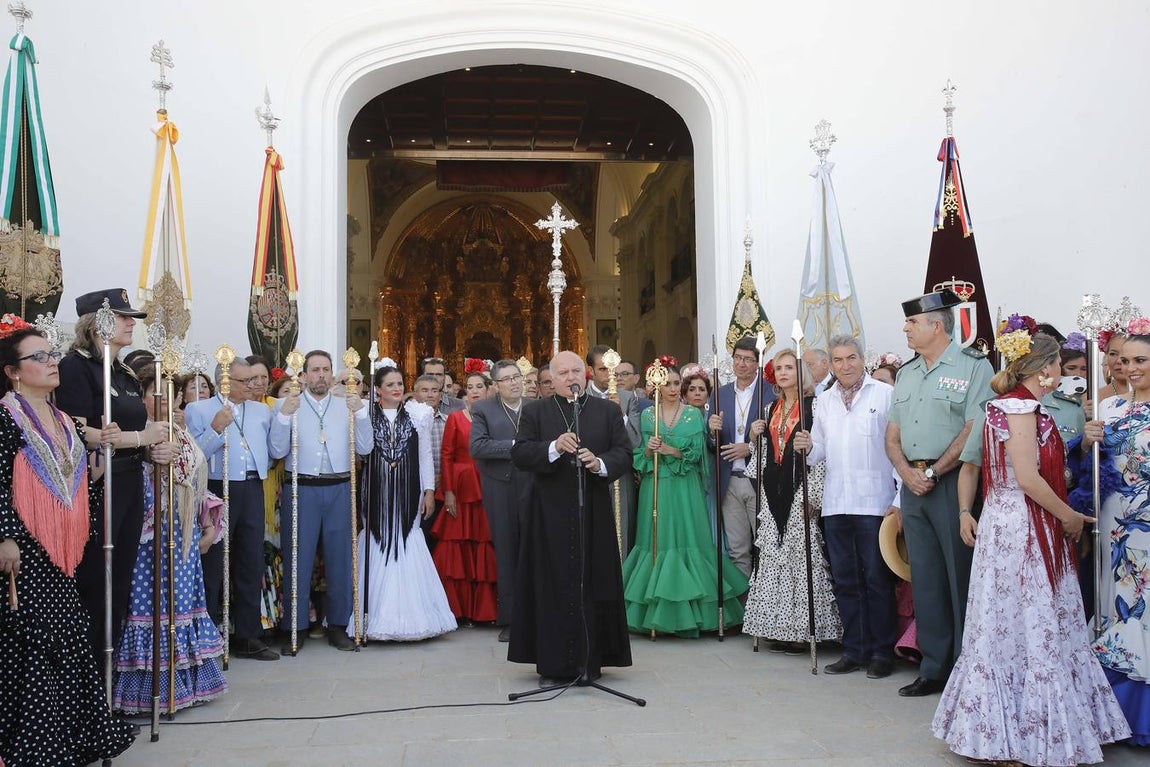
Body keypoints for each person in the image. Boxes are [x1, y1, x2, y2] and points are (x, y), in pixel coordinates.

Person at [933, 325, 1130, 765]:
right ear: (1044, 369)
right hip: (1020, 526)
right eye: (1059, 362)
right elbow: (1026, 477)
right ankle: (1012, 735)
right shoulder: (1019, 408)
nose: (1062, 370)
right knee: (1022, 620)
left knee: (1022, 621)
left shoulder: (1017, 406)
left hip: (1016, 521)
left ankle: (1022, 727)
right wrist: (1068, 515)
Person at [0, 315, 136, 765]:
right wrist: (6, 536)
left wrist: (103, 455)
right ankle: (34, 742)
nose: (51, 361)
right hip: (25, 548)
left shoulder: (64, 421)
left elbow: (81, 480)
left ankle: (71, 735)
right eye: (38, 357)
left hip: (64, 550)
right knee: (33, 643)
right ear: (13, 371)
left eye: (51, 353)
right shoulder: (6, 418)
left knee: (69, 636)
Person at [886, 289, 994, 697]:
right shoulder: (908, 373)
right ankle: (934, 667)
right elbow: (892, 433)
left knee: (960, 577)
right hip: (912, 485)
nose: (906, 328)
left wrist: (933, 470)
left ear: (936, 324)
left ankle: (970, 669)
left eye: (912, 323)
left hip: (953, 483)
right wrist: (905, 473)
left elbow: (973, 428)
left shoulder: (972, 368)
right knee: (926, 579)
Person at [56, 288, 168, 668]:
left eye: (130, 317)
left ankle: (108, 680)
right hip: (99, 482)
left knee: (120, 579)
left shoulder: (122, 371)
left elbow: (139, 427)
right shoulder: (76, 367)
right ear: (96, 323)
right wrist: (138, 438)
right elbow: (74, 427)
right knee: (96, 580)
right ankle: (86, 682)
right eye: (121, 317)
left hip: (131, 480)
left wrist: (153, 446)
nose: (129, 323)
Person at [509, 350, 633, 685]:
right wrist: (552, 447)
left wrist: (600, 463)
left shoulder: (606, 411)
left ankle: (590, 664)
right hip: (547, 513)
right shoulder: (536, 412)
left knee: (592, 582)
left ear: (586, 374)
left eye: (576, 371)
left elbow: (624, 453)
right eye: (562, 373)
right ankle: (553, 666)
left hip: (592, 508)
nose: (570, 378)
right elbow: (520, 453)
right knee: (551, 586)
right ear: (551, 378)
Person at [112, 367, 227, 713]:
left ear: (178, 398)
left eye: (169, 392)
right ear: (141, 398)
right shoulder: (135, 436)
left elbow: (196, 482)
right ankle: (147, 690)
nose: (162, 399)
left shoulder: (184, 434)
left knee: (183, 606)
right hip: (149, 541)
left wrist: (208, 521)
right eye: (152, 392)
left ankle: (187, 682)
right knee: (150, 607)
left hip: (184, 537)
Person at [794, 335, 898, 678]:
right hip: (836, 502)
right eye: (838, 360)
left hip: (875, 502)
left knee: (877, 580)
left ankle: (882, 652)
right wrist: (807, 445)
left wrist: (898, 500)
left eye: (851, 358)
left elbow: (898, 449)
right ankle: (854, 649)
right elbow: (820, 450)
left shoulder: (884, 395)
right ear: (831, 365)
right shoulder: (823, 401)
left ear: (862, 359)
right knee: (845, 580)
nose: (845, 365)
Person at [622, 363, 746, 636]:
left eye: (677, 383)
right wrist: (649, 450)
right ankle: (653, 614)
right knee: (656, 541)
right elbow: (636, 455)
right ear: (656, 386)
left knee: (689, 539)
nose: (673, 389)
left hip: (685, 486)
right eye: (667, 384)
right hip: (655, 485)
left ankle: (700, 613)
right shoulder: (647, 416)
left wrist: (670, 450)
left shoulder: (692, 415)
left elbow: (699, 455)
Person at [1075, 319, 1150, 745]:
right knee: (1111, 604)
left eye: (1141, 361)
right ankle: (1107, 712)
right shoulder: (1111, 409)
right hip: (1111, 527)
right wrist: (1086, 442)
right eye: (1125, 360)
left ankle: (1138, 712)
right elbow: (1090, 471)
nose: (1131, 368)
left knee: (1141, 609)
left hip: (1146, 531)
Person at [269, 350, 373, 652]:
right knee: (297, 557)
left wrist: (362, 414)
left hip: (339, 485)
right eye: (315, 370)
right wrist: (285, 415)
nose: (321, 375)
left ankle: (339, 625)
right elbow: (277, 450)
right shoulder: (288, 404)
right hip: (301, 487)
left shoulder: (349, 405)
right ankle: (295, 627)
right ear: (303, 375)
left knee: (341, 558)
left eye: (326, 369)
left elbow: (365, 448)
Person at [743, 349, 840, 652]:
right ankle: (776, 625)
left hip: (802, 486)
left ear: (802, 372)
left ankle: (802, 628)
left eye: (790, 367)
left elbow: (822, 450)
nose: (784, 372)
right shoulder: (772, 407)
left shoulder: (815, 406)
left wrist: (815, 494)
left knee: (801, 555)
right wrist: (755, 435)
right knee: (773, 554)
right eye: (779, 368)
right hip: (774, 489)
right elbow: (764, 454)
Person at [354, 364, 456, 641]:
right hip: (375, 489)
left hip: (408, 490)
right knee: (376, 538)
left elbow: (424, 455)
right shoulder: (365, 413)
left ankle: (415, 618)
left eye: (400, 383)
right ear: (378, 389)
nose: (397, 388)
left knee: (408, 539)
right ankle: (373, 618)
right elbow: (362, 450)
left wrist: (428, 490)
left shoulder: (418, 414)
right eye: (390, 385)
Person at [185, 358, 277, 660]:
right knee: (213, 563)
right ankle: (209, 635)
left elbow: (274, 449)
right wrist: (215, 428)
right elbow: (194, 454)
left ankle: (248, 635)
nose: (253, 385)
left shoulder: (261, 410)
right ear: (226, 382)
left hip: (252, 486)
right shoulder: (199, 409)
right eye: (245, 381)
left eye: (253, 379)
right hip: (216, 486)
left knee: (250, 560)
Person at [469, 360, 534, 642]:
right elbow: (478, 446)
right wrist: (515, 447)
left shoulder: (536, 406)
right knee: (507, 551)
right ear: (495, 385)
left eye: (517, 377)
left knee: (534, 549)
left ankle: (538, 613)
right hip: (501, 488)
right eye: (506, 379)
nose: (514, 383)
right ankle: (510, 618)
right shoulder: (484, 409)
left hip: (535, 484)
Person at [431, 365, 498, 624]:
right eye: (469, 388)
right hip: (459, 487)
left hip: (486, 486)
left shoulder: (494, 416)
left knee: (483, 547)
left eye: (479, 387)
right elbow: (446, 455)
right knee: (456, 550)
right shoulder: (455, 418)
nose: (474, 392)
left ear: (488, 389)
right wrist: (448, 492)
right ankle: (456, 611)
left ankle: (483, 612)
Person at [707, 336, 777, 578]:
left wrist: (750, 447)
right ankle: (744, 609)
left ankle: (766, 608)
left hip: (760, 481)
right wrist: (712, 433)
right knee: (738, 550)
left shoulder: (770, 393)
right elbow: (711, 442)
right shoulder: (721, 393)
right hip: (730, 480)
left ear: (757, 363)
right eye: (738, 358)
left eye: (748, 359)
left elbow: (779, 436)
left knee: (767, 545)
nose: (742, 364)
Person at [586, 345, 642, 554]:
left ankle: (623, 578)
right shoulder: (580, 397)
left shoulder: (628, 399)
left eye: (615, 371)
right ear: (590, 370)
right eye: (603, 369)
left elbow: (635, 441)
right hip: (589, 472)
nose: (611, 375)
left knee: (623, 527)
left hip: (620, 474)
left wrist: (620, 414)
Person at [245, 354, 284, 636]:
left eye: (263, 378)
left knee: (275, 552)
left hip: (277, 482)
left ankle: (275, 617)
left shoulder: (275, 406)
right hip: (250, 484)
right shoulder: (239, 409)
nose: (259, 382)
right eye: (253, 378)